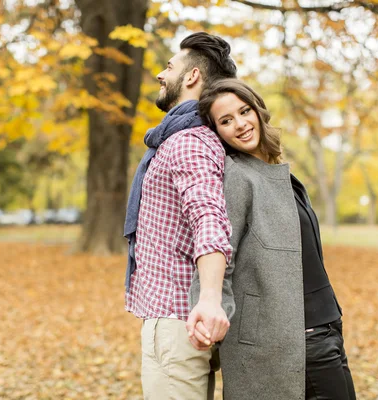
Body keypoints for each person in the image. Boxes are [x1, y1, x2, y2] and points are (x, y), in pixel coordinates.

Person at [189, 78, 357, 400]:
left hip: (327, 327)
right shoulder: (236, 177)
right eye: (226, 121)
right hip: (291, 340)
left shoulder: (281, 175)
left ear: (257, 110)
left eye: (244, 111)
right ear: (216, 131)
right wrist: (209, 309)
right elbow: (218, 252)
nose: (239, 124)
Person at [123, 33, 238, 399]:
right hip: (173, 317)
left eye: (169, 66)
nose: (160, 73)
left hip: (176, 318)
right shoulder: (184, 138)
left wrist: (209, 299)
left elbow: (209, 218)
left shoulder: (189, 141)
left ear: (191, 77)